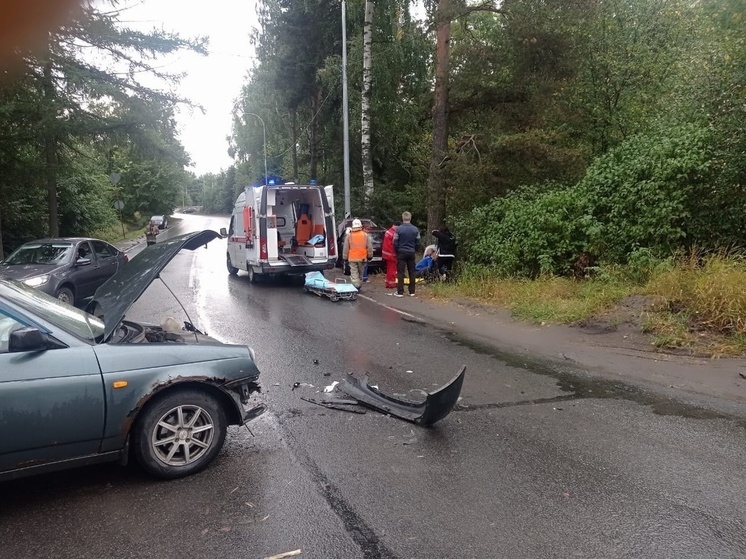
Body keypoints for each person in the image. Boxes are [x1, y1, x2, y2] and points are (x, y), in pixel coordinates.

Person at [393, 211, 421, 297]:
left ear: (402, 218)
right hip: (411, 252)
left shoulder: (398, 229)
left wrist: (397, 250)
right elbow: (418, 242)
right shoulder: (415, 229)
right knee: (412, 272)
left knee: (401, 272)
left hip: (401, 251)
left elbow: (395, 242)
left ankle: (400, 292)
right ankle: (412, 291)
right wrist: (415, 250)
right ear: (410, 218)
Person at [342, 218, 373, 290]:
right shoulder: (365, 235)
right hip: (362, 258)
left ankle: (356, 286)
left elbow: (346, 248)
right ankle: (358, 285)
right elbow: (369, 247)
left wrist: (345, 257)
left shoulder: (349, 236)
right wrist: (370, 256)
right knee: (360, 273)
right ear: (360, 226)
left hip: (352, 258)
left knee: (354, 273)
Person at [381, 222, 399, 289]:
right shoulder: (394, 233)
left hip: (387, 254)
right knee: (392, 270)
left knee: (389, 269)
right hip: (391, 254)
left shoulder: (388, 232)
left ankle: (388, 283)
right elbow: (395, 245)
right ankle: (391, 284)